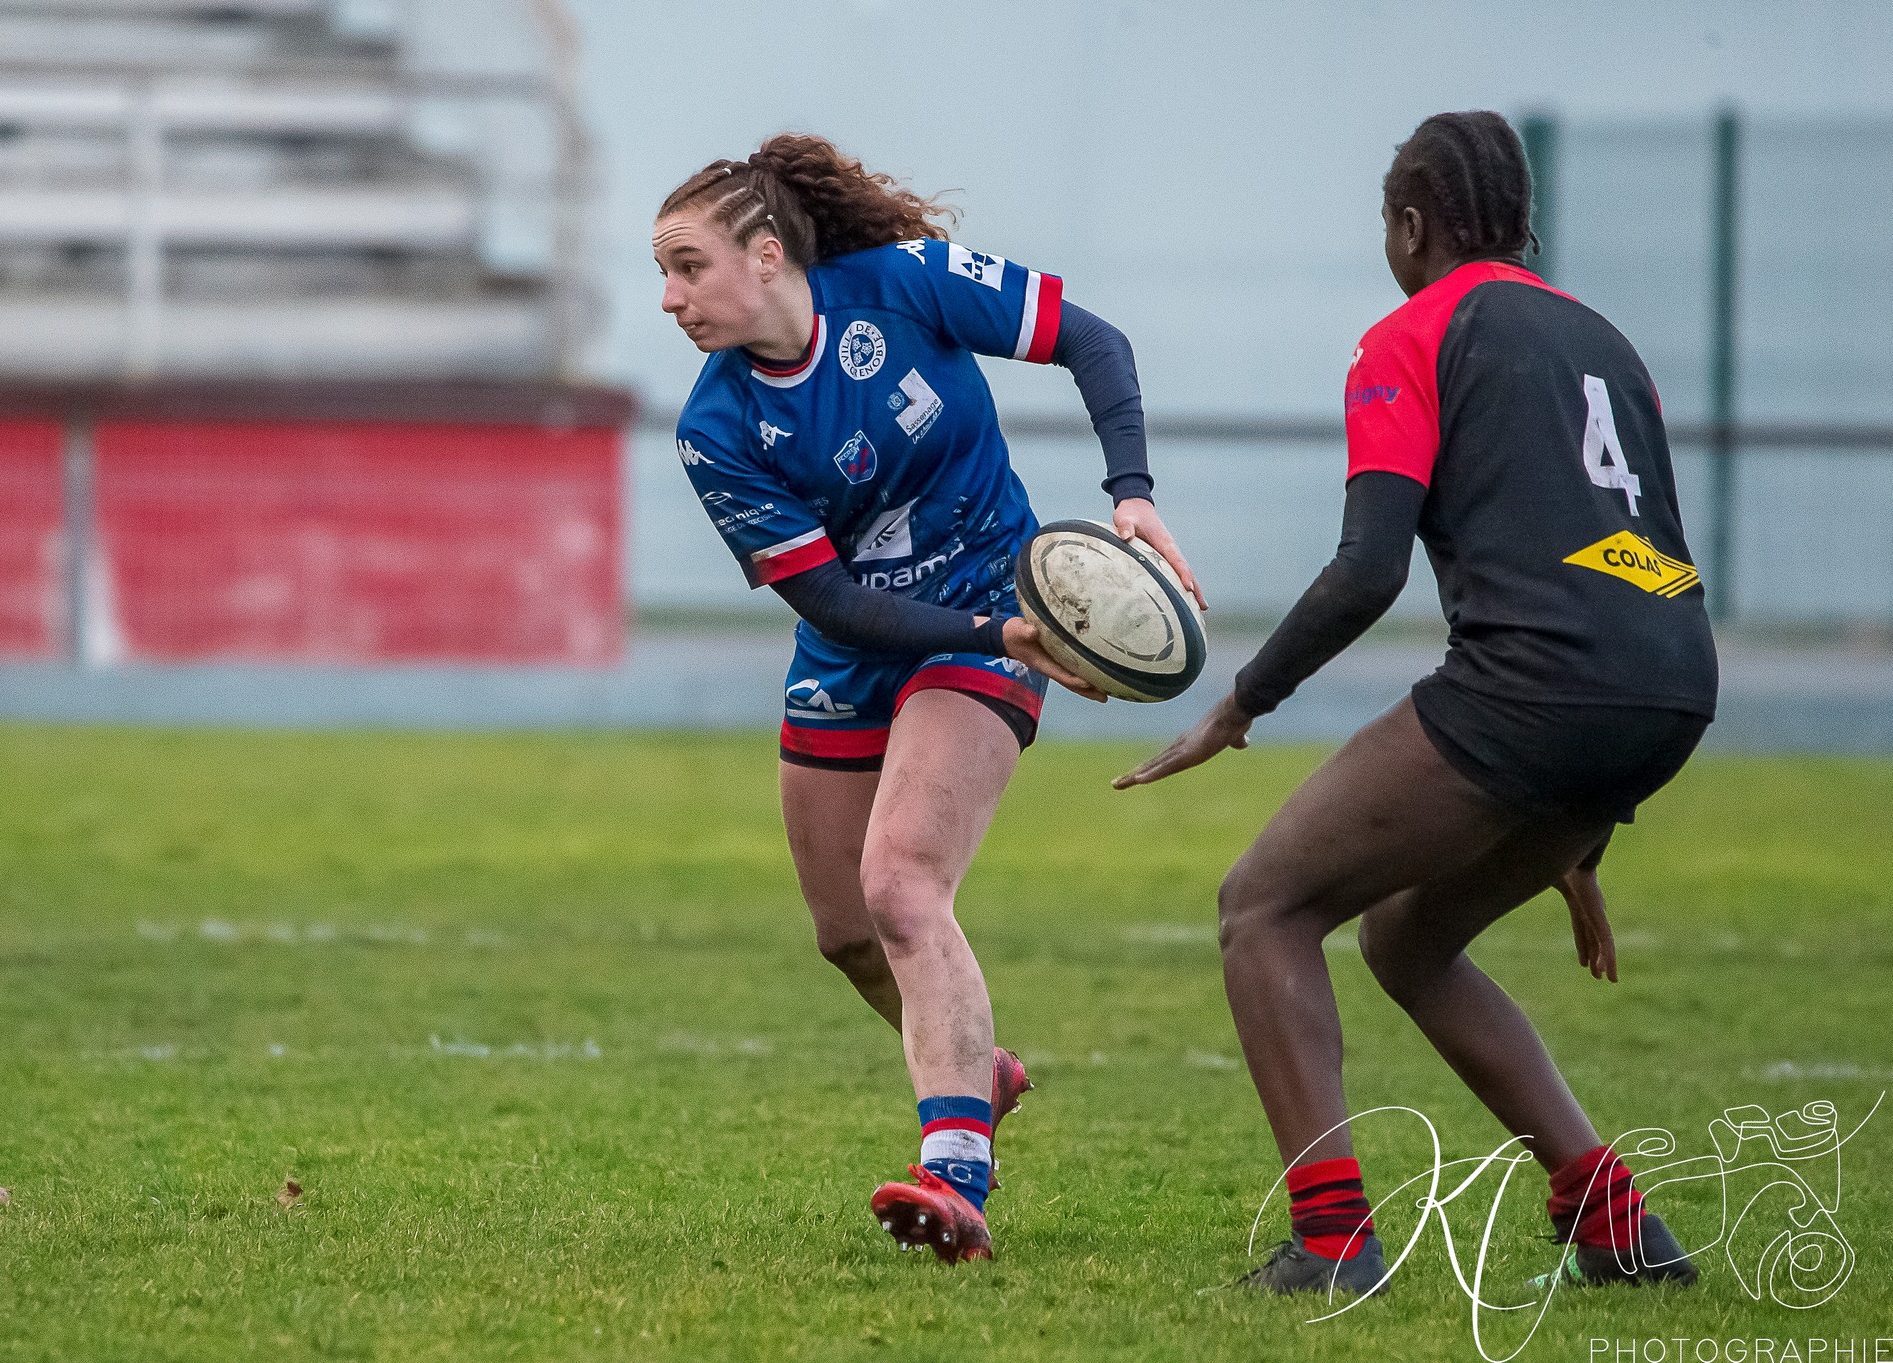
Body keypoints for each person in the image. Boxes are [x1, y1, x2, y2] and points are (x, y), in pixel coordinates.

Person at [1116, 111, 1716, 1296]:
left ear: (1409, 223)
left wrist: (1239, 703)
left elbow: (1365, 568)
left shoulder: (1410, 333)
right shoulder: (1604, 341)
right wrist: (1579, 823)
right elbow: (1634, 552)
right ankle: (1611, 1222)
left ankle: (1333, 1244)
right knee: (1407, 935)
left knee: (1261, 906)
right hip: (1666, 683)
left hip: (1534, 686)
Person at [655, 133, 1202, 1263]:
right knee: (846, 934)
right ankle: (976, 1071)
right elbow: (839, 606)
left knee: (901, 881)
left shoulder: (905, 283)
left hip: (994, 608)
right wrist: (988, 631)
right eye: (659, 272)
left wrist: (1131, 496)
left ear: (764, 256)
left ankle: (954, 1174)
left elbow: (1089, 340)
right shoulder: (715, 431)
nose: (668, 297)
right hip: (865, 646)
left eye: (685, 265)